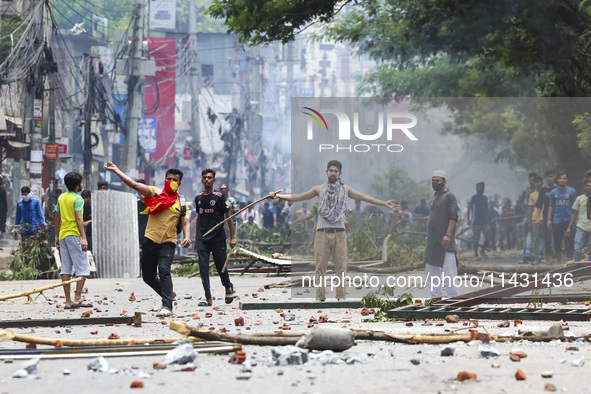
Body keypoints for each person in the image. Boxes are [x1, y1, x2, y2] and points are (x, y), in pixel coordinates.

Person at [269, 160, 399, 301]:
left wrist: (384, 203)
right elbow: (298, 197)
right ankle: (320, 298)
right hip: (322, 233)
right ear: (327, 172)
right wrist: (278, 196)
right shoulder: (318, 189)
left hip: (339, 233)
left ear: (340, 174)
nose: (333, 173)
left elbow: (364, 197)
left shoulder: (346, 190)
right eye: (330, 170)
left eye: (335, 171)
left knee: (341, 267)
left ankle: (341, 298)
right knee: (320, 267)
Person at [105, 161, 191, 317]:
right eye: (169, 179)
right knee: (148, 277)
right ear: (165, 180)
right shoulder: (154, 193)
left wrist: (187, 237)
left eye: (175, 180)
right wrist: (116, 170)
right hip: (150, 240)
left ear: (179, 183)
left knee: (164, 271)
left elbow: (185, 221)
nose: (171, 182)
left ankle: (167, 306)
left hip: (168, 242)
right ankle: (167, 294)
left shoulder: (182, 202)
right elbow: (135, 185)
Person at [195, 169, 237, 306]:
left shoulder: (219, 197)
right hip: (203, 238)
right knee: (203, 268)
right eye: (205, 178)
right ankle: (208, 297)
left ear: (213, 180)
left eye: (209, 178)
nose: (207, 180)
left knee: (221, 266)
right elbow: (199, 218)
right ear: (202, 180)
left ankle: (228, 286)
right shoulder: (198, 198)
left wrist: (233, 237)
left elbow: (228, 218)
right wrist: (196, 238)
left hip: (218, 238)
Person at [54, 172, 91, 309]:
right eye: (81, 182)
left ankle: (68, 301)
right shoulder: (78, 199)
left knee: (66, 269)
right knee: (82, 268)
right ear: (77, 185)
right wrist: (84, 238)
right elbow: (79, 219)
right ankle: (77, 298)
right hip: (75, 235)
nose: (82, 185)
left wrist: (57, 236)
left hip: (63, 236)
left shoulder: (61, 197)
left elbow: (57, 218)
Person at [424, 170, 459, 302]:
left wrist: (448, 235)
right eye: (433, 181)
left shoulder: (449, 197)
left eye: (437, 181)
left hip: (445, 241)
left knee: (449, 271)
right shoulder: (434, 198)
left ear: (444, 181)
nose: (434, 183)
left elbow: (453, 217)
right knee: (431, 269)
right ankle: (436, 298)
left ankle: (453, 299)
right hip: (433, 241)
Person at [547, 171, 576, 265]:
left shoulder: (572, 191)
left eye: (564, 178)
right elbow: (551, 206)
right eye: (560, 178)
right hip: (557, 220)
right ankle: (559, 263)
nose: (562, 180)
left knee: (571, 241)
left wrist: (576, 219)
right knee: (557, 241)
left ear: (566, 180)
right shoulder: (553, 192)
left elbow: (575, 207)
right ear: (557, 180)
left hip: (569, 220)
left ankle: (570, 259)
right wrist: (549, 220)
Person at [566, 181, 591, 262]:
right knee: (577, 248)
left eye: (590, 186)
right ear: (584, 187)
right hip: (581, 226)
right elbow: (575, 214)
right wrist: (569, 227)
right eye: (587, 186)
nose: (588, 187)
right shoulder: (579, 198)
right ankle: (577, 265)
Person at [536, 170, 557, 264]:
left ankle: (560, 256)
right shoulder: (543, 190)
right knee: (547, 238)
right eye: (548, 176)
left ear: (554, 177)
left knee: (558, 237)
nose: (550, 178)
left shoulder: (558, 188)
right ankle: (548, 257)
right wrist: (537, 218)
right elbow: (539, 205)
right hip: (546, 217)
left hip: (558, 216)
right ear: (546, 178)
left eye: (551, 176)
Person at [467, 182, 490, 259]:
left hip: (484, 220)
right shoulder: (473, 197)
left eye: (482, 187)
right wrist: (468, 219)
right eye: (479, 187)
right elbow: (469, 208)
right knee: (476, 239)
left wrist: (489, 219)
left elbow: (486, 209)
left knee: (488, 237)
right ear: (476, 189)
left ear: (484, 188)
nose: (480, 189)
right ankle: (476, 253)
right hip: (476, 221)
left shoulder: (485, 198)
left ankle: (482, 251)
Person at [527, 175, 544, 264]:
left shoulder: (545, 193)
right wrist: (529, 221)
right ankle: (537, 258)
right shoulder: (532, 195)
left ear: (542, 183)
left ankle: (546, 257)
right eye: (536, 182)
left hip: (544, 218)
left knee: (546, 238)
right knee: (536, 239)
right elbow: (531, 209)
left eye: (539, 182)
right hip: (534, 218)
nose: (538, 184)